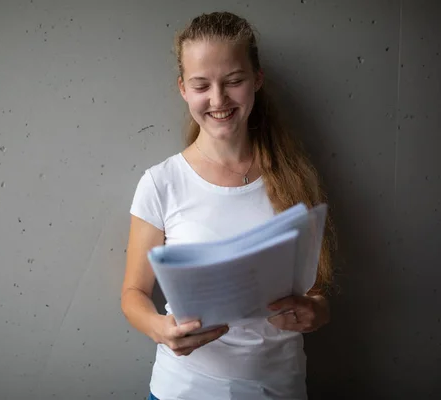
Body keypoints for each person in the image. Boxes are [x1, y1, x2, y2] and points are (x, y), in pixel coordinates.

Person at [121, 11, 336, 400]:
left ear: (257, 79)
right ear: (183, 88)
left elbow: (316, 290)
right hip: (182, 390)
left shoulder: (294, 176)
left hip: (279, 388)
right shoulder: (161, 182)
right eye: (202, 85)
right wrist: (162, 330)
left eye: (233, 81)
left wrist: (316, 313)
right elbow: (133, 293)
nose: (218, 99)